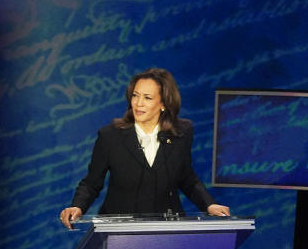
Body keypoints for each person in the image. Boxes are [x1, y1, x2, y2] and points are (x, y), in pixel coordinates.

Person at [59, 68, 230, 228]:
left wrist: (209, 204)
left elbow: (187, 178)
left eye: (147, 98)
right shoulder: (110, 136)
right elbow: (91, 183)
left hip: (166, 228)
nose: (138, 103)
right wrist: (77, 206)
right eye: (135, 96)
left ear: (163, 103)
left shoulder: (181, 133)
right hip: (119, 230)